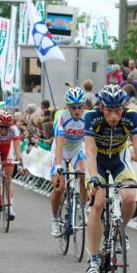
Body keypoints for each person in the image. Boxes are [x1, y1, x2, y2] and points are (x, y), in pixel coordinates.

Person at [83, 85, 137, 273]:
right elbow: (89, 151)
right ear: (101, 108)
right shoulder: (91, 116)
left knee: (131, 198)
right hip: (98, 160)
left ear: (123, 108)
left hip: (119, 159)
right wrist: (94, 177)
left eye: (118, 111)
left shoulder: (131, 116)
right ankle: (94, 260)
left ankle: (119, 231)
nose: (114, 116)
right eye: (109, 111)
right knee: (98, 203)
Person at [49, 88, 88, 237]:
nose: (77, 110)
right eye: (73, 107)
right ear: (67, 106)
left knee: (84, 175)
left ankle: (82, 209)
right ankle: (54, 218)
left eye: (80, 107)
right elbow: (59, 143)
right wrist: (58, 166)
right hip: (60, 151)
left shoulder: (88, 117)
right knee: (59, 188)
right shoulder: (61, 116)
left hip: (77, 151)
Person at [0, 111, 23, 221]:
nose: (4, 129)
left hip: (7, 151)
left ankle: (9, 207)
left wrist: (20, 163)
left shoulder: (14, 129)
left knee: (9, 178)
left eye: (6, 127)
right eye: (2, 126)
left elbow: (17, 149)